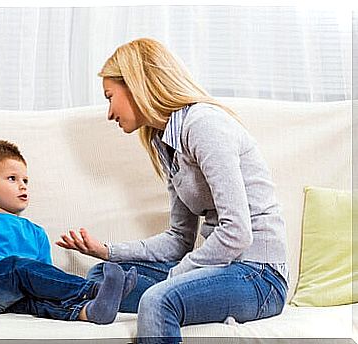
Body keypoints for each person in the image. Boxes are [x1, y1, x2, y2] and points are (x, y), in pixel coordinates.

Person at [56, 38, 289, 342]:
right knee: (102, 277)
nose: (109, 113)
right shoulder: (165, 143)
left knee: (157, 299)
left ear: (137, 84)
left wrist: (175, 278)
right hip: (221, 270)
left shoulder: (204, 125)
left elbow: (237, 231)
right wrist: (107, 251)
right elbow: (179, 240)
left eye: (110, 96)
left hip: (258, 276)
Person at [0, 140, 137, 324]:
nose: (22, 185)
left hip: (10, 298)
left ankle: (92, 311)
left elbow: (44, 278)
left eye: (25, 180)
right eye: (12, 178)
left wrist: (26, 272)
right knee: (20, 267)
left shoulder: (36, 233)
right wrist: (11, 265)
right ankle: (94, 289)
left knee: (40, 300)